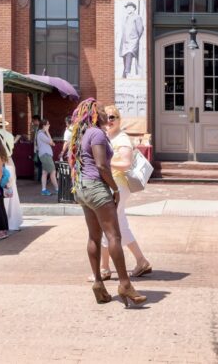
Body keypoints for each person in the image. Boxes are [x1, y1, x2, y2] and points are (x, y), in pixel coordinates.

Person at [66, 98, 146, 307]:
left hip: (82, 187)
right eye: (101, 109)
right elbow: (102, 166)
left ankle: (99, 285)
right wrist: (115, 188)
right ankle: (125, 284)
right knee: (114, 236)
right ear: (93, 113)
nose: (105, 112)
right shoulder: (97, 133)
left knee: (94, 236)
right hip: (96, 187)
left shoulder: (81, 134)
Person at [97, 105, 151, 280]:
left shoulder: (122, 139)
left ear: (119, 119)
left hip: (118, 185)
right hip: (112, 184)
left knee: (107, 225)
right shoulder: (107, 136)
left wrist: (105, 162)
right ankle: (141, 261)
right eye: (106, 117)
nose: (109, 120)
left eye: (113, 117)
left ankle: (104, 269)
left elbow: (126, 163)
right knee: (120, 225)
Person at [118, 1, 144, 78]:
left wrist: (135, 38)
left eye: (130, 7)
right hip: (125, 41)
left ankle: (127, 72)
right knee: (125, 56)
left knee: (129, 53)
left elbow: (140, 30)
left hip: (133, 40)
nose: (128, 9)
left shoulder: (137, 17)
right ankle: (124, 73)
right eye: (127, 8)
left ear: (133, 8)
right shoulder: (126, 18)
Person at [36, 118, 58, 196]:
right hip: (45, 155)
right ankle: (57, 189)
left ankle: (44, 189)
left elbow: (52, 143)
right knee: (53, 172)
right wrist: (47, 131)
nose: (49, 125)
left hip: (45, 155)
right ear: (44, 126)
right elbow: (51, 142)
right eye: (48, 124)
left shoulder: (41, 133)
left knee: (44, 173)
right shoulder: (41, 134)